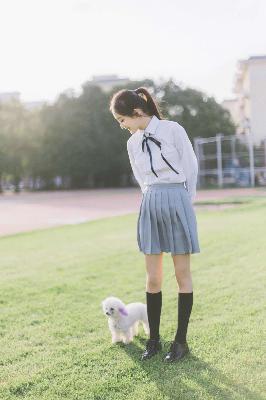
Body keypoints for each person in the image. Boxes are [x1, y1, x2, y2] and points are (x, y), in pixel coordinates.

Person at [109, 86, 200, 362]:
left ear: (136, 112)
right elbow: (140, 178)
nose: (122, 126)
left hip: (177, 199)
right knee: (153, 278)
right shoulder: (132, 143)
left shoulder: (173, 130)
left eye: (122, 120)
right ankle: (154, 340)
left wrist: (185, 203)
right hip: (150, 201)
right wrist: (151, 200)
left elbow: (191, 167)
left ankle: (180, 342)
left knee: (181, 275)